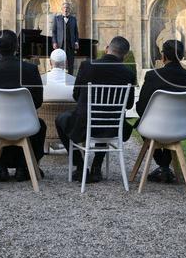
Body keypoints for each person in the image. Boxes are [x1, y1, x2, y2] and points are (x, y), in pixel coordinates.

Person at [55, 36, 136, 183]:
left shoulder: (87, 66)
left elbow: (76, 95)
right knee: (106, 117)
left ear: (107, 49)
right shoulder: (128, 73)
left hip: (83, 126)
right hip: (113, 127)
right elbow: (129, 105)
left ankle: (80, 166)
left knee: (61, 119)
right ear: (124, 55)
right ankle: (96, 167)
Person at [0, 30, 46, 184]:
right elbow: (38, 102)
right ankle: (23, 167)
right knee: (41, 125)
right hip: (25, 124)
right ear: (17, 46)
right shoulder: (31, 70)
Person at [136, 39, 186, 183]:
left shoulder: (153, 76)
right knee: (166, 126)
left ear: (163, 56)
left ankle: (163, 166)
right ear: (182, 56)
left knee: (140, 123)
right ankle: (164, 168)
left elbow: (141, 108)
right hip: (182, 127)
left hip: (154, 127)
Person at [52, 1, 79, 74]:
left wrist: (76, 42)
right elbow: (54, 31)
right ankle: (60, 78)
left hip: (71, 45)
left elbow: (76, 32)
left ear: (69, 9)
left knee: (71, 63)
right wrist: (54, 42)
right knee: (59, 63)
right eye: (64, 7)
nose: (65, 9)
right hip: (60, 45)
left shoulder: (73, 19)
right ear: (61, 9)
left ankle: (70, 78)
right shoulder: (56, 18)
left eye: (67, 7)